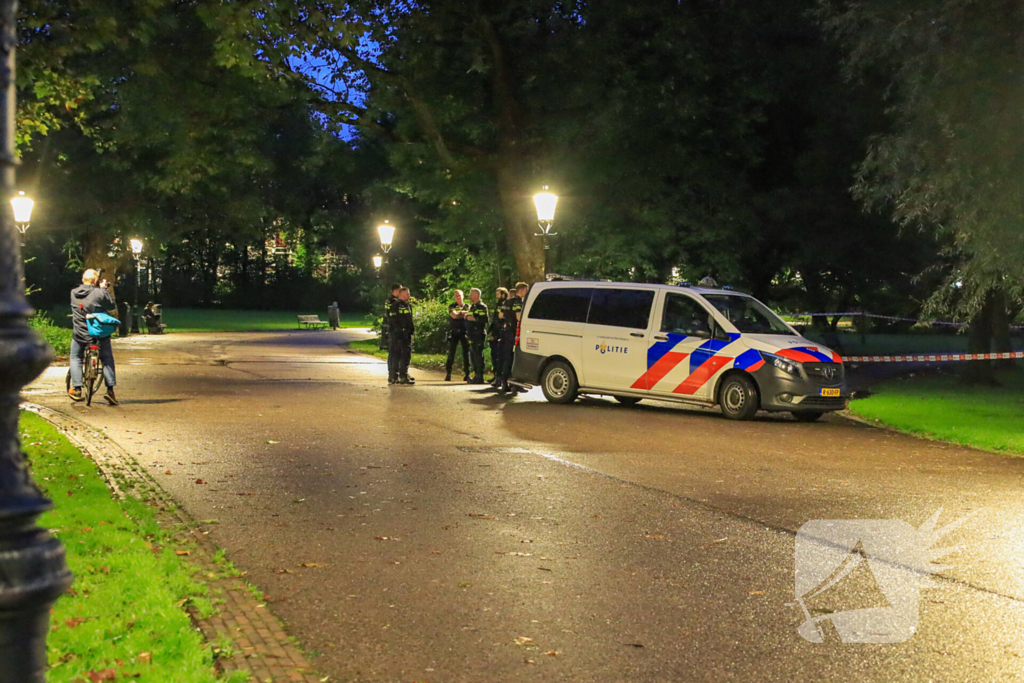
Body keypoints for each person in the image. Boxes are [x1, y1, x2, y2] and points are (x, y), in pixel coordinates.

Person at [69, 269, 119, 405]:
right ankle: (110, 391)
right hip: (98, 333)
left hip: (80, 332)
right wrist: (104, 290)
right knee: (107, 358)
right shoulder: (99, 292)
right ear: (96, 281)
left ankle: (77, 388)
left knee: (75, 357)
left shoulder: (74, 293)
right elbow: (111, 305)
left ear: (82, 279)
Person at [495, 281, 529, 393]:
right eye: (526, 290)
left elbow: (500, 315)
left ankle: (504, 382)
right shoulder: (518, 302)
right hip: (514, 332)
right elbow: (518, 317)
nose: (527, 292)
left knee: (506, 357)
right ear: (522, 290)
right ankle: (515, 383)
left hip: (505, 331)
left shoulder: (506, 301)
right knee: (514, 357)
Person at [444, 289, 470, 382]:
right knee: (451, 353)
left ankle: (467, 373)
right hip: (454, 331)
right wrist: (463, 314)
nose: (457, 297)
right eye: (456, 296)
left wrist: (460, 314)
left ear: (463, 296)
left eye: (459, 295)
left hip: (464, 331)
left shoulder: (467, 306)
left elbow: (469, 314)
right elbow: (454, 316)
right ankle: (448, 373)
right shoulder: (452, 306)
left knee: (466, 353)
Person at [464, 288, 488, 384]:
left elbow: (484, 319)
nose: (469, 297)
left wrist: (471, 318)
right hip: (472, 335)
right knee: (473, 356)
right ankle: (475, 375)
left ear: (476, 295)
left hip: (478, 334)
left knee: (478, 356)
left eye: (471, 295)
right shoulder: (472, 307)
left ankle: (479, 376)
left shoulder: (482, 307)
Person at [392, 286, 415, 385]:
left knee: (405, 354)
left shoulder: (407, 305)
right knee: (401, 354)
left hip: (406, 333)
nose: (409, 296)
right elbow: (393, 319)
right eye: (407, 294)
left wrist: (411, 331)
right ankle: (400, 375)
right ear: (402, 294)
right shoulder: (396, 305)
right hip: (400, 334)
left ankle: (401, 375)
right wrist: (401, 329)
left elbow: (409, 320)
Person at [487, 287, 508, 383]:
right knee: (494, 355)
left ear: (503, 294)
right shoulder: (498, 304)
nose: (497, 295)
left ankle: (499, 377)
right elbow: (495, 319)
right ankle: (496, 375)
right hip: (495, 332)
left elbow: (501, 319)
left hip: (501, 333)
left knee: (499, 355)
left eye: (498, 294)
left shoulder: (505, 305)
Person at [385, 283, 402, 384]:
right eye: (399, 291)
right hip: (394, 329)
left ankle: (394, 374)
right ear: (394, 291)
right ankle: (393, 374)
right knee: (394, 352)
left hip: (393, 329)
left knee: (395, 352)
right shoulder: (393, 302)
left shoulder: (390, 301)